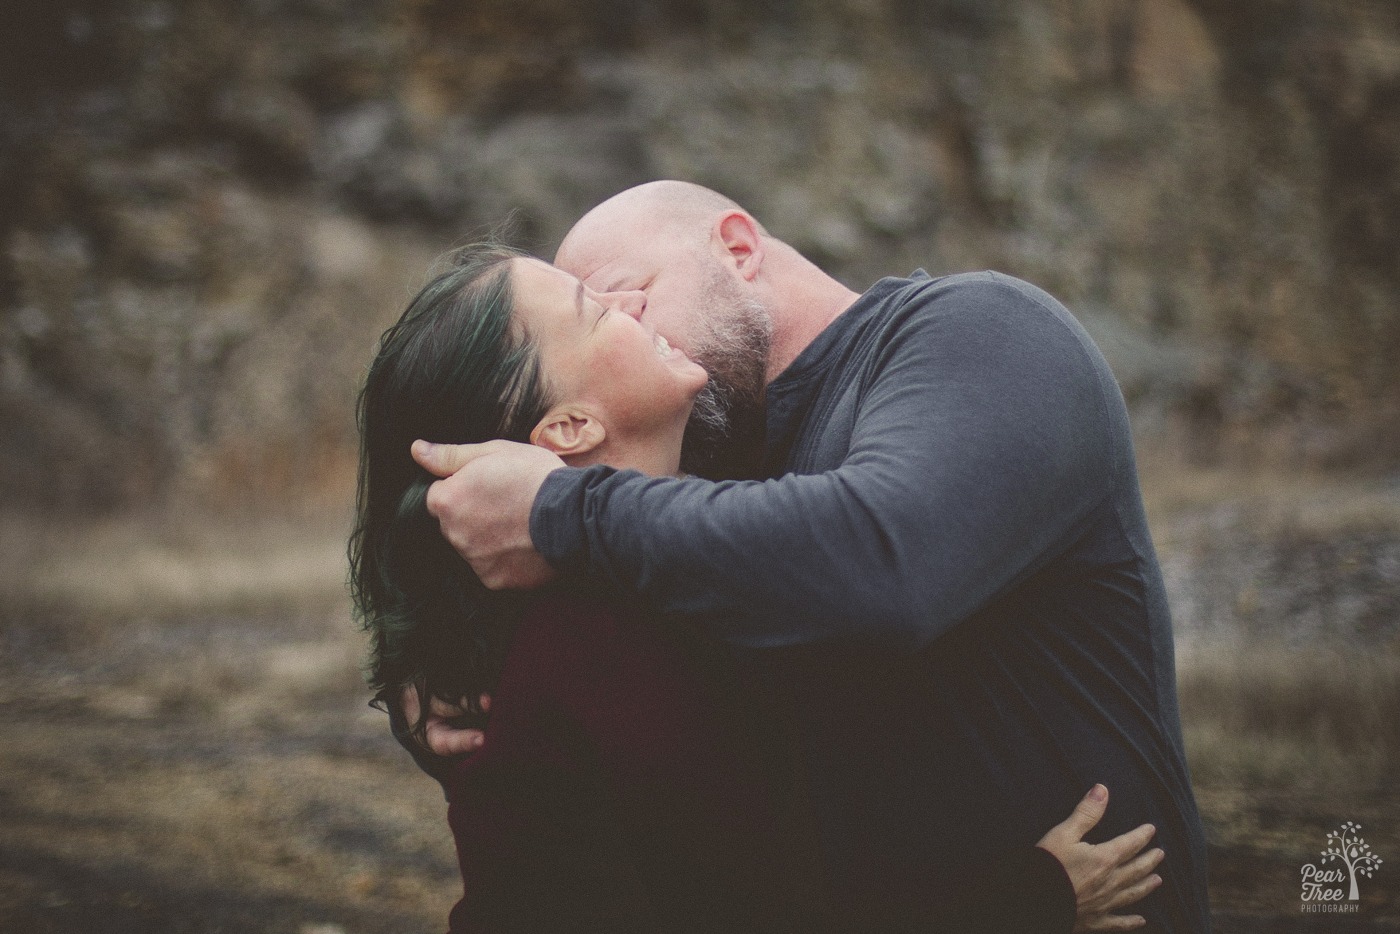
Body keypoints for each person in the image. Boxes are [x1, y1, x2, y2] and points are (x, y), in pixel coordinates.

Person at [407, 181, 1213, 932]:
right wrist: (452, 677)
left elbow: (884, 562)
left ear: (738, 248)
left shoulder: (977, 333)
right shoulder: (695, 490)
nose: (628, 324)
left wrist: (556, 507)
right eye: (600, 313)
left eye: (634, 291)